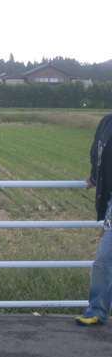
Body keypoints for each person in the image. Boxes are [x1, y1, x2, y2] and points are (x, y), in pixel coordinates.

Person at [76, 113, 112, 326]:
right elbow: (97, 154)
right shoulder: (107, 123)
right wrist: (95, 177)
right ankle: (97, 310)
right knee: (104, 259)